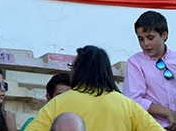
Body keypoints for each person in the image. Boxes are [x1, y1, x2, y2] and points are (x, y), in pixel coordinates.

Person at [25, 45, 164, 131]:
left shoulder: (59, 102)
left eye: (72, 67)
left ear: (79, 70)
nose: (70, 72)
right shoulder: (128, 106)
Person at [123, 11, 176, 131]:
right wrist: (167, 112)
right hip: (152, 127)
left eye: (150, 38)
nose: (145, 44)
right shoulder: (135, 63)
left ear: (164, 35)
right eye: (141, 39)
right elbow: (133, 100)